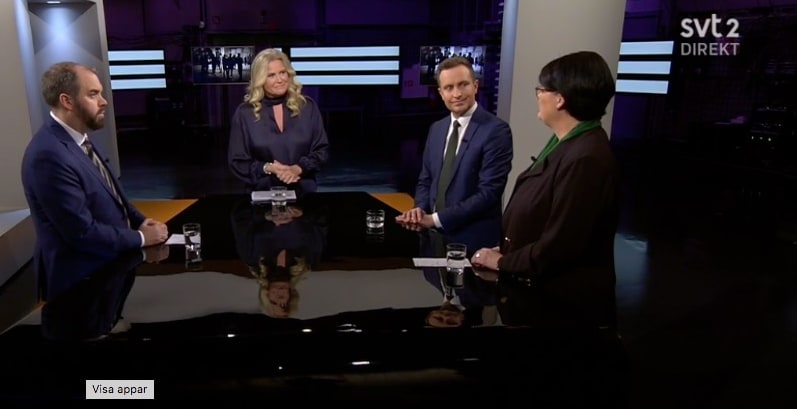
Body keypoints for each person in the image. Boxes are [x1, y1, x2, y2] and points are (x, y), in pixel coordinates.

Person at [470, 51, 620, 330]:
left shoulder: (586, 158)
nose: (538, 96)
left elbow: (560, 245)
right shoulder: (568, 145)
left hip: (563, 310)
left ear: (560, 99)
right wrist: (510, 249)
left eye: (541, 90)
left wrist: (503, 261)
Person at [21, 62, 168, 302]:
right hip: (76, 284)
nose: (104, 101)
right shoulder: (48, 156)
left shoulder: (79, 138)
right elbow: (81, 233)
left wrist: (140, 220)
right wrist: (142, 238)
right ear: (67, 101)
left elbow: (112, 193)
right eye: (93, 94)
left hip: (106, 273)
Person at [396, 56, 513, 251]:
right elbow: (426, 179)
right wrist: (419, 210)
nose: (457, 94)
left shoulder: (496, 131)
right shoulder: (437, 129)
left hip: (474, 242)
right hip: (432, 238)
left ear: (475, 86)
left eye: (463, 85)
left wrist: (435, 219)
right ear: (441, 93)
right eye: (449, 88)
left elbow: (489, 193)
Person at [228, 48, 329, 195]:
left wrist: (298, 169)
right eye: (271, 75)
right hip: (262, 195)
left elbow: (321, 151)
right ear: (260, 79)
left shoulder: (307, 107)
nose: (280, 79)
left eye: (282, 72)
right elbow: (238, 161)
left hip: (303, 194)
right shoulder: (245, 113)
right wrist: (268, 168)